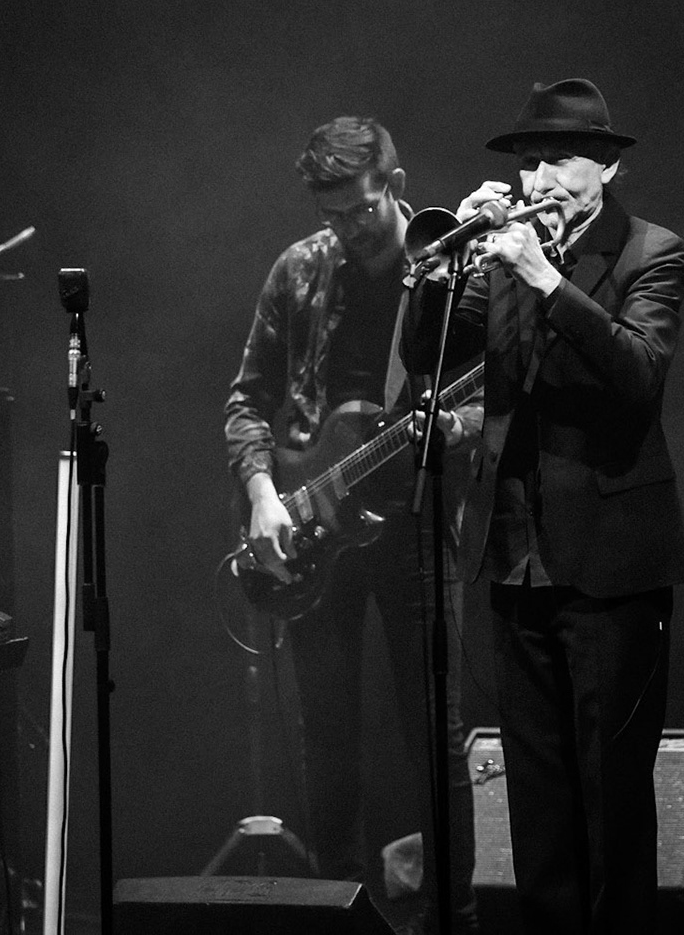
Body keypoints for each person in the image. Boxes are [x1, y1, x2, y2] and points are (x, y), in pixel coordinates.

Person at [404, 77, 684, 935]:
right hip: (514, 559)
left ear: (605, 165)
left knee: (610, 796)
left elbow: (639, 376)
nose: (539, 179)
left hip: (610, 565)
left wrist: (546, 280)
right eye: (529, 162)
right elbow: (426, 353)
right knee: (536, 802)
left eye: (558, 160)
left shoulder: (652, 251)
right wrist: (440, 270)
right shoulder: (497, 258)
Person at [224, 116, 478, 933]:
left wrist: (454, 429)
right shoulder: (299, 268)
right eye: (330, 213)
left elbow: (490, 397)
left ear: (395, 187)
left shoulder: (451, 271)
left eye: (358, 211)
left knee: (437, 742)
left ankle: (455, 917)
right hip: (314, 527)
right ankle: (338, 914)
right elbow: (247, 399)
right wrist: (265, 492)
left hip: (414, 522)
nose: (343, 229)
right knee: (326, 745)